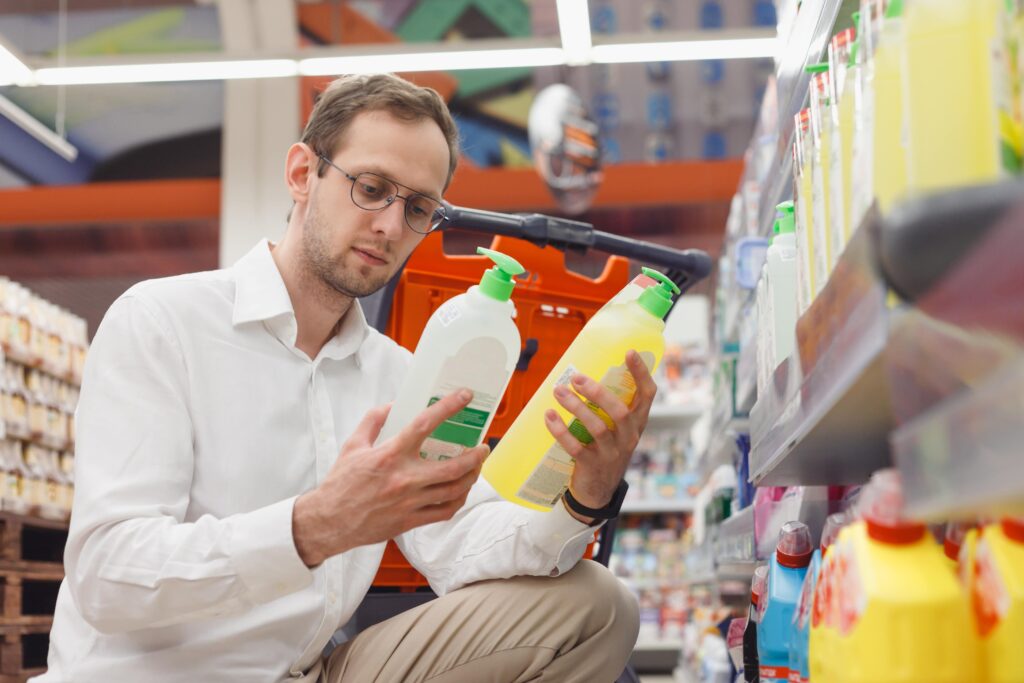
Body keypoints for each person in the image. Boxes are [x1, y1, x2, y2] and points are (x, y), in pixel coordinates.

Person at [38, 73, 657, 683]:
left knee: (597, 607)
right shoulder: (162, 323)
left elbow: (463, 541)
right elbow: (108, 576)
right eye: (371, 187)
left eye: (418, 208)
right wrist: (313, 526)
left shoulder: (400, 373)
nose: (391, 226)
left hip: (309, 672)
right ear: (304, 173)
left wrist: (584, 496)